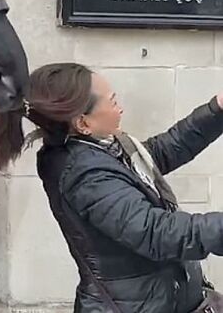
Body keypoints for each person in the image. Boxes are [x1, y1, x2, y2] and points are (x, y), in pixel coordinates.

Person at [28, 62, 223, 312]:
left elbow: (162, 151)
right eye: (112, 101)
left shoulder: (101, 148)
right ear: (83, 123)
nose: (120, 109)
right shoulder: (85, 175)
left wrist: (217, 110)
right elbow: (154, 232)